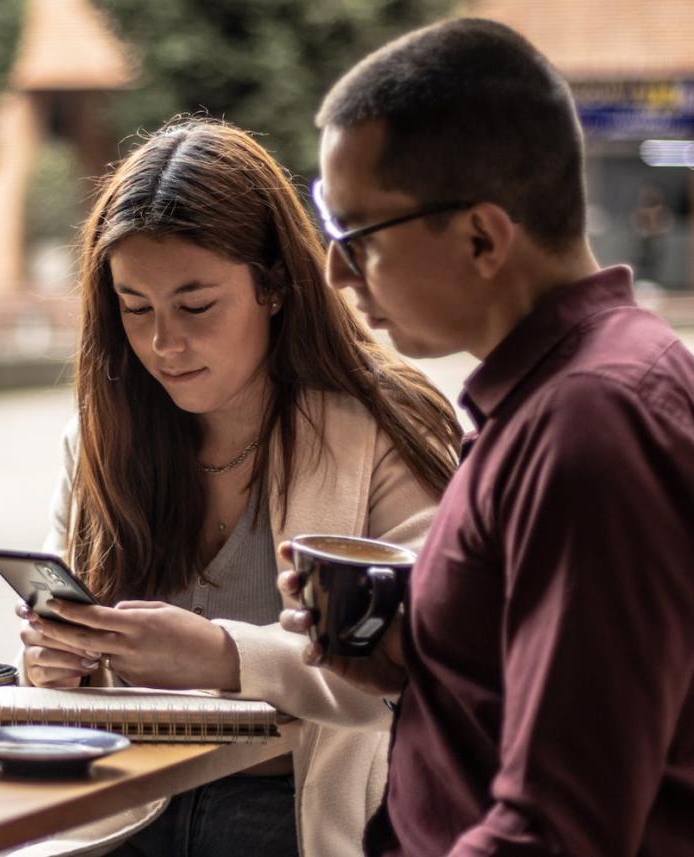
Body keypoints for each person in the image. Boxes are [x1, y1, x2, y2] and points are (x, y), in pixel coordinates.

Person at [280, 18, 694, 856]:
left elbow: (560, 827)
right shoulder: (554, 392)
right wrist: (411, 649)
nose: (334, 272)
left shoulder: (590, 422)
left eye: (357, 238)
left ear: (482, 236)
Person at [17, 118, 462, 857]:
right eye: (136, 308)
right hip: (119, 801)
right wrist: (55, 655)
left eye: (196, 306)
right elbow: (56, 637)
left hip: (294, 812)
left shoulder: (379, 427)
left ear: (275, 287)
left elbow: (425, 666)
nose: (165, 343)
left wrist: (225, 656)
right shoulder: (104, 432)